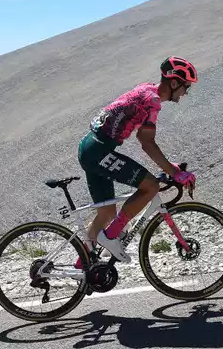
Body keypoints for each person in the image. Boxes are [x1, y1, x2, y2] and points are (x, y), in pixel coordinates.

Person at [75, 56, 198, 264]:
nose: (186, 93)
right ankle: (111, 238)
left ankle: (84, 266)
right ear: (174, 82)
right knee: (150, 186)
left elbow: (144, 138)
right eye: (186, 87)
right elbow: (147, 142)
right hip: (98, 151)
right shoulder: (152, 100)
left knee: (105, 213)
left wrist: (170, 167)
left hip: (90, 147)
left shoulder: (147, 89)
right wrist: (175, 173)